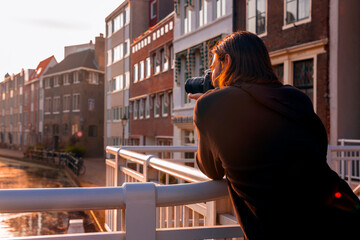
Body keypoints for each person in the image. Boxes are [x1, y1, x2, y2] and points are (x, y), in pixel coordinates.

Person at [189, 31, 360, 240]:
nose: (212, 75)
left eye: (214, 65)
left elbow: (211, 169)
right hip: (344, 215)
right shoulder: (295, 97)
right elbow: (317, 149)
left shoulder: (210, 105)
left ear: (227, 62)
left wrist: (204, 111)